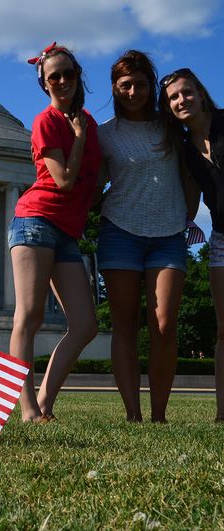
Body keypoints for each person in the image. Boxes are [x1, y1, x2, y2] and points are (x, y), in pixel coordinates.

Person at [8, 42, 101, 422]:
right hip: (36, 220)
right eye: (54, 77)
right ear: (45, 84)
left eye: (68, 74)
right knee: (28, 316)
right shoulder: (46, 121)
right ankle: (28, 409)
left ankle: (45, 401)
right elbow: (63, 180)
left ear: (79, 77)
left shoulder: (90, 123)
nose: (62, 81)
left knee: (85, 325)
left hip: (67, 231)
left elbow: (94, 181)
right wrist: (77, 136)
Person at [97, 50, 188, 422]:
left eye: (140, 84)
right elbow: (91, 181)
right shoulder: (104, 134)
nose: (133, 91)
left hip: (168, 235)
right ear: (116, 89)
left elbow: (190, 174)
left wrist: (187, 216)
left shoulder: (170, 128)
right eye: (125, 85)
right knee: (125, 324)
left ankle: (159, 415)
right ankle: (133, 414)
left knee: (164, 323)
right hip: (120, 231)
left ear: (152, 87)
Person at [159, 68, 223, 421]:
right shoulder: (185, 150)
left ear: (200, 92)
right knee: (223, 329)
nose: (181, 101)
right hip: (222, 236)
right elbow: (189, 203)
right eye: (173, 98)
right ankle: (222, 414)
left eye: (186, 93)